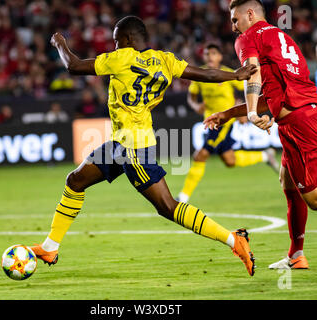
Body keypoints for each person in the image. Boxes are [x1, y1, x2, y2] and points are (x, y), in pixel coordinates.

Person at [30, 16, 258, 276]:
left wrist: (60, 43)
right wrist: (235, 75)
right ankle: (50, 246)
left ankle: (234, 240)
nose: (115, 46)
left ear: (127, 40)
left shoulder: (121, 58)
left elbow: (73, 65)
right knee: (76, 180)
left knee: (167, 207)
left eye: (117, 41)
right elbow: (206, 74)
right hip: (121, 142)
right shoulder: (165, 60)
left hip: (133, 148)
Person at [204, 0, 317, 270]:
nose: (233, 27)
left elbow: (251, 76)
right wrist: (228, 113)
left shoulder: (248, 38)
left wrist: (251, 113)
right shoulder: (281, 37)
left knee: (316, 198)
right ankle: (296, 255)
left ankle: (297, 254)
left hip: (300, 122)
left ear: (250, 14)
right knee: (287, 181)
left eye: (234, 20)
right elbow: (274, 96)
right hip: (306, 115)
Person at [177, 42, 279, 203]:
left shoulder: (228, 73)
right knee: (229, 160)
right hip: (210, 120)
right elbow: (192, 96)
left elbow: (247, 86)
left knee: (200, 155)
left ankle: (183, 197)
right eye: (206, 54)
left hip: (223, 121)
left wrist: (243, 109)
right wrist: (196, 105)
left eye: (213, 53)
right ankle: (264, 155)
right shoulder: (201, 74)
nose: (209, 56)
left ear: (219, 57)